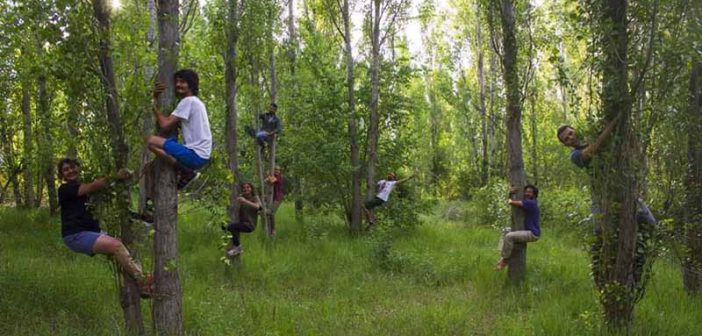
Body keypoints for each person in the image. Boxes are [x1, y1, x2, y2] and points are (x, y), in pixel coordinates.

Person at [557, 120, 656, 285]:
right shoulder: (574, 156)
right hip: (601, 196)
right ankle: (604, 277)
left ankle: (637, 264)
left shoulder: (594, 136)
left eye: (570, 133)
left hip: (622, 190)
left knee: (650, 223)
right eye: (566, 139)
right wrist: (611, 126)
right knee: (601, 234)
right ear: (566, 144)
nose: (570, 138)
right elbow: (590, 152)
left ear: (575, 130)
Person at [57, 158, 153, 298]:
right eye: (66, 170)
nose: (70, 171)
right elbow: (93, 186)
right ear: (61, 175)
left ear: (78, 168)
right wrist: (116, 176)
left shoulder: (86, 190)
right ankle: (143, 280)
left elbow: (110, 202)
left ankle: (141, 288)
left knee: (122, 249)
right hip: (75, 235)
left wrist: (138, 216)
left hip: (91, 232)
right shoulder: (65, 189)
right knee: (116, 245)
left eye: (72, 167)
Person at [146, 69, 212, 189]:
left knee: (148, 140)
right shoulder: (196, 102)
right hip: (201, 156)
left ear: (191, 84)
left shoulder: (188, 101)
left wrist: (153, 103)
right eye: (176, 82)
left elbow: (164, 124)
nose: (178, 85)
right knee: (153, 145)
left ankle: (186, 171)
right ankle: (185, 171)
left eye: (182, 82)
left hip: (195, 155)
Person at [495, 185, 541, 271]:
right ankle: (503, 255)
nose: (526, 193)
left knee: (509, 236)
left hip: (533, 234)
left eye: (529, 192)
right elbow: (513, 202)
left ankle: (505, 261)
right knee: (505, 231)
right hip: (526, 230)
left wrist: (510, 194)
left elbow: (511, 202)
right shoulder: (528, 201)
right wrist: (511, 194)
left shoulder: (531, 203)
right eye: (526, 191)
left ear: (534, 195)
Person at [222, 182, 262, 257]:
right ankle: (231, 244)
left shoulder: (254, 197)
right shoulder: (241, 197)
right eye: (244, 187)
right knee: (224, 226)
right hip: (241, 223)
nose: (245, 189)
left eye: (248, 187)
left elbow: (259, 207)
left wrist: (245, 201)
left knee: (231, 227)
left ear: (251, 189)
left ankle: (238, 247)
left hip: (250, 225)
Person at [265, 166, 284, 235]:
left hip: (278, 198)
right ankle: (269, 230)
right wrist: (268, 177)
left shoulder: (279, 177)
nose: (277, 171)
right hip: (273, 198)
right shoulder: (273, 176)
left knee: (271, 212)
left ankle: (273, 230)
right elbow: (265, 181)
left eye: (278, 170)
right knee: (268, 213)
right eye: (275, 169)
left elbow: (272, 180)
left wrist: (268, 175)